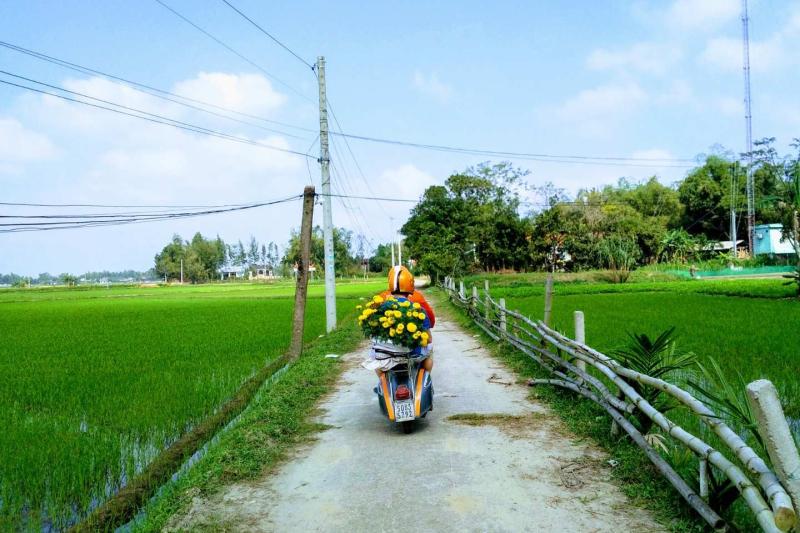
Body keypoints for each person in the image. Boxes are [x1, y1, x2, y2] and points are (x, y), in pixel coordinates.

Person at [372, 265, 435, 375]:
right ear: (410, 284)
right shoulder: (418, 309)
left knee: (375, 358)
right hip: (413, 355)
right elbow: (428, 339)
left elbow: (375, 334)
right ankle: (425, 377)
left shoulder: (380, 309)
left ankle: (383, 383)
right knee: (429, 351)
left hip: (385, 355)